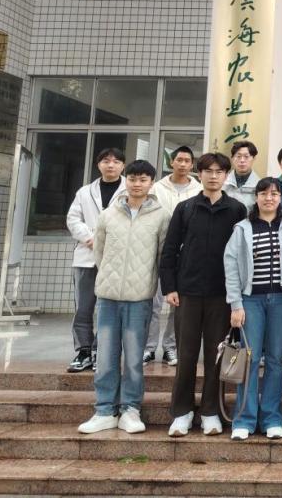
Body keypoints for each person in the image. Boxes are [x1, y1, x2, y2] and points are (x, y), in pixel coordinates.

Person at [77, 160, 169, 435]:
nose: (137, 184)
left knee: (133, 359)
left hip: (139, 298)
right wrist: (110, 278)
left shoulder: (161, 216)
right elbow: (99, 251)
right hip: (108, 297)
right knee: (105, 357)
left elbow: (162, 256)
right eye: (132, 179)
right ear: (125, 180)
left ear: (151, 183)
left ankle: (130, 409)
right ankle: (104, 410)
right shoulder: (109, 214)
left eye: (143, 179)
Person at [160, 152, 248, 438]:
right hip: (187, 293)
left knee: (215, 355)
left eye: (219, 171)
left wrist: (238, 295)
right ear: (199, 174)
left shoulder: (236, 210)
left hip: (221, 295)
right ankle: (182, 411)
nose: (213, 176)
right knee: (185, 355)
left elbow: (243, 255)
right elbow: (170, 249)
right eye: (208, 171)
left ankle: (211, 411)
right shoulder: (185, 208)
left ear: (226, 176)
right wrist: (169, 286)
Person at [224, 178, 282, 441]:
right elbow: (231, 265)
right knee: (250, 358)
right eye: (264, 193)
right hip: (251, 300)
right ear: (256, 197)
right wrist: (235, 304)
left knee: (276, 359)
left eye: (274, 194)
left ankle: (272, 418)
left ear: (280, 197)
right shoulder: (242, 228)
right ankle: (244, 418)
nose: (269, 198)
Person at [65, 147, 126, 373]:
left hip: (116, 258)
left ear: (122, 166)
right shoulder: (84, 192)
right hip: (86, 257)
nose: (111, 165)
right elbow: (73, 219)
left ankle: (101, 350)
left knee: (109, 307)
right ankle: (83, 351)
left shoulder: (129, 190)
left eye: (116, 161)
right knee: (83, 307)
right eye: (106, 161)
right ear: (98, 164)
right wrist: (91, 238)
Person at [146, 145, 201, 366]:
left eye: (187, 161)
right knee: (153, 302)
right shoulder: (157, 188)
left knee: (177, 304)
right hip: (157, 250)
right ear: (172, 162)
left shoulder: (198, 189)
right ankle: (148, 347)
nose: (183, 164)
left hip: (185, 254)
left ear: (192, 164)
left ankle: (171, 347)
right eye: (179, 160)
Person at [224, 140, 260, 212]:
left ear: (254, 158)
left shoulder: (259, 185)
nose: (242, 160)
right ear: (232, 158)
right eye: (238, 156)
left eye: (246, 156)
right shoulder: (222, 182)